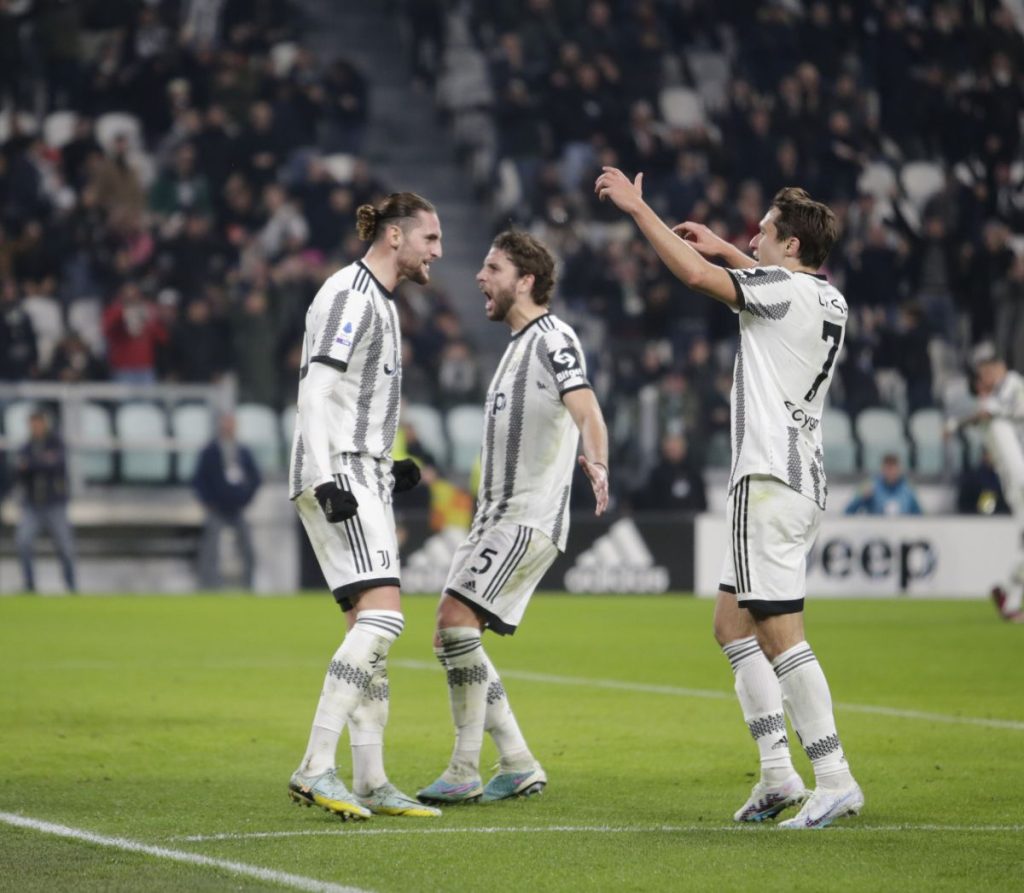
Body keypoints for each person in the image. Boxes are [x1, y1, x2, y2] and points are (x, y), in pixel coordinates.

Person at [595, 167, 863, 829]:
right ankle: (777, 773)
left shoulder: (780, 289)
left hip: (768, 477)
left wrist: (638, 210)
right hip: (800, 478)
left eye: (764, 232)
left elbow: (694, 277)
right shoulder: (829, 299)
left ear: (791, 245)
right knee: (731, 625)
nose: (753, 238)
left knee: (778, 632)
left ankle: (834, 777)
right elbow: (763, 280)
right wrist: (727, 248)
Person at [416, 230, 609, 805]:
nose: (480, 276)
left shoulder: (553, 339)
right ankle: (518, 761)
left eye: (492, 267)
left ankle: (463, 768)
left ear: (525, 281)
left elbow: (587, 408)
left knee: (455, 623)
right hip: (494, 518)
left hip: (526, 517)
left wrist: (597, 461)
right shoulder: (516, 346)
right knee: (450, 635)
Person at [286, 192, 444, 821]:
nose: (438, 251)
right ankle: (314, 766)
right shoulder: (351, 295)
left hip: (363, 468)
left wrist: (387, 464)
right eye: (430, 238)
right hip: (340, 472)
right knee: (383, 621)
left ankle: (372, 778)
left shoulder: (380, 299)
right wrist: (327, 478)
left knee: (368, 633)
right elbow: (315, 391)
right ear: (395, 236)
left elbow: (353, 399)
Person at [951, 345, 1024, 622]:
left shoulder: (1010, 387)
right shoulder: (995, 411)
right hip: (1018, 484)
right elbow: (986, 413)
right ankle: (1008, 596)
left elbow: (984, 413)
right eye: (981, 378)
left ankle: (1008, 596)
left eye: (986, 373)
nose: (985, 380)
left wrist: (954, 425)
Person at [192, 412, 262, 590]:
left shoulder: (242, 451)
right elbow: (198, 480)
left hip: (237, 508)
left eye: (230, 424)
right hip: (217, 509)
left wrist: (246, 498)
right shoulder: (210, 451)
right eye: (225, 424)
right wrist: (208, 501)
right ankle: (208, 586)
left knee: (247, 549)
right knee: (210, 549)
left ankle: (248, 586)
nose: (228, 427)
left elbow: (256, 478)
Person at [14, 409, 77, 593]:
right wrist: (41, 462)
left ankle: (71, 586)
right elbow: (19, 471)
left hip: (54, 505)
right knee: (23, 542)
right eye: (32, 424)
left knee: (65, 547)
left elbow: (57, 465)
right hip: (32, 505)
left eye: (38, 423)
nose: (36, 427)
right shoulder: (26, 446)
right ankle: (29, 586)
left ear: (45, 424)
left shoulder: (56, 443)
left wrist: (32, 464)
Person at [844, 453, 922, 515]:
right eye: (888, 469)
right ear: (882, 469)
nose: (891, 472)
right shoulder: (871, 486)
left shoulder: (908, 490)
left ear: (899, 469)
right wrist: (861, 498)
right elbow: (848, 512)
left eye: (893, 469)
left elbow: (919, 516)